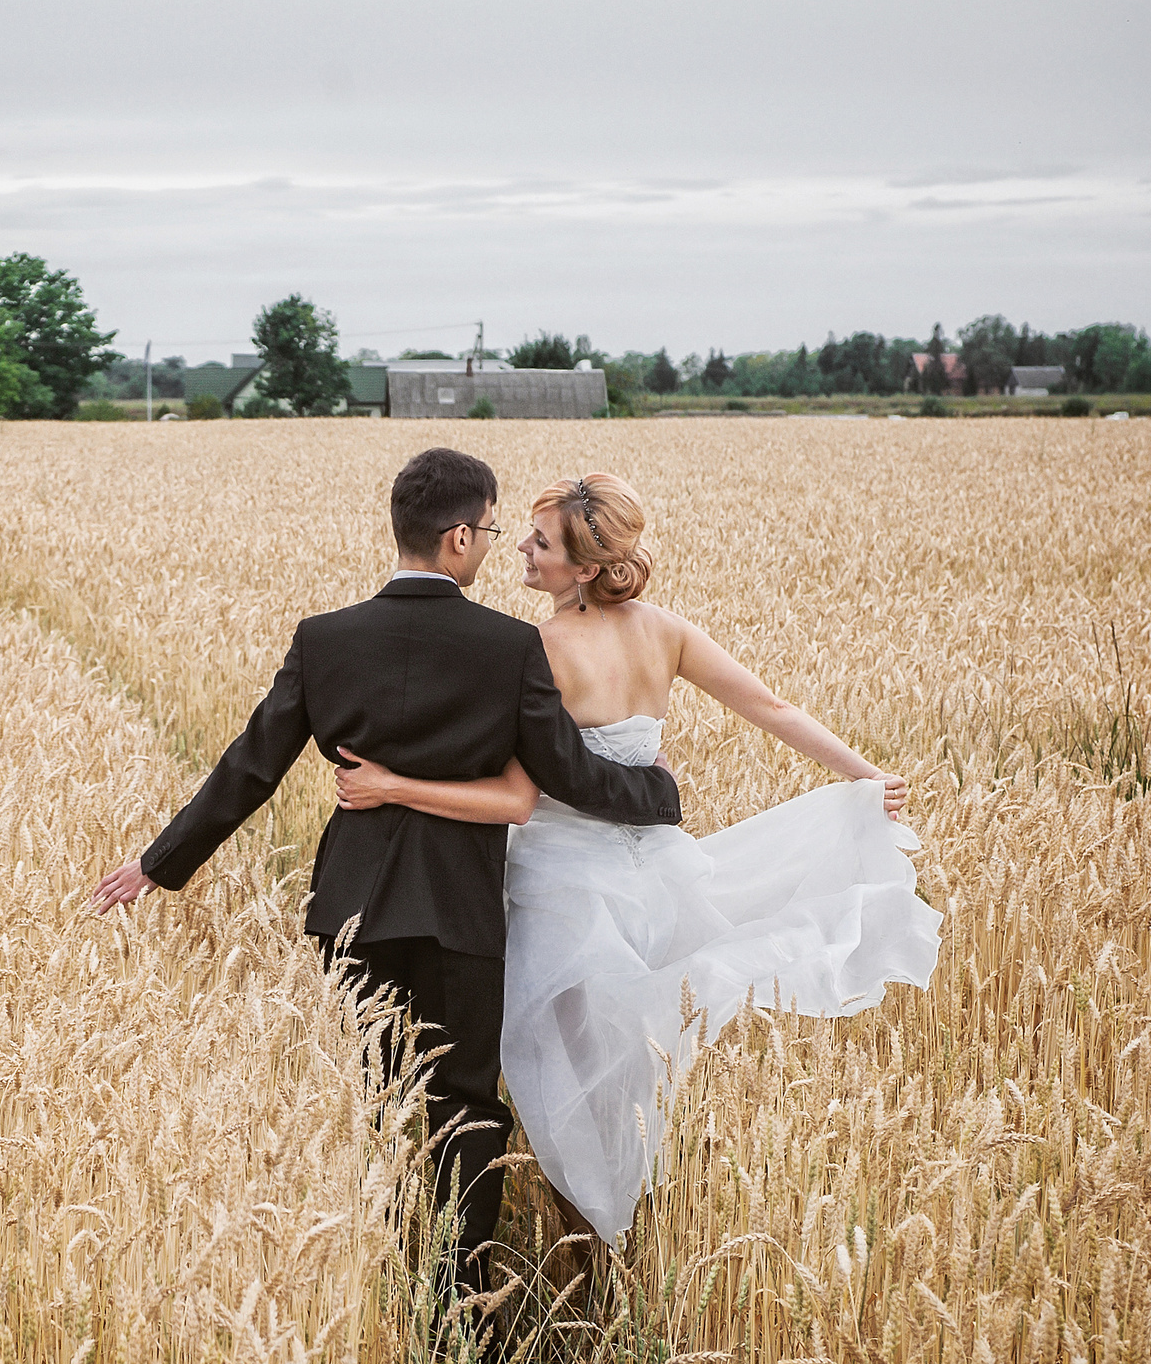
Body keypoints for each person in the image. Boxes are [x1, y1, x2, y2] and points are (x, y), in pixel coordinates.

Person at [90, 449, 680, 1306]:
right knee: (466, 1106)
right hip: (462, 914)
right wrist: (656, 793)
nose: (491, 545)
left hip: (353, 907)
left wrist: (157, 863)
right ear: (454, 537)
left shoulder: (324, 639)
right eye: (485, 529)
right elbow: (568, 775)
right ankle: (460, 1297)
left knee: (376, 1096)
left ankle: (377, 1274)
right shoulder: (510, 646)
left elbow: (249, 769)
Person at [333, 472, 942, 1249]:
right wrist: (865, 776)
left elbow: (520, 786)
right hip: (656, 876)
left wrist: (391, 783)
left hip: (558, 884)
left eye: (541, 541)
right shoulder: (667, 631)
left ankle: (585, 1243)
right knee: (630, 1077)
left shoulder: (537, 646)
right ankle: (622, 1250)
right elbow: (773, 709)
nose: (519, 546)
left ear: (584, 569)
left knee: (556, 1080)